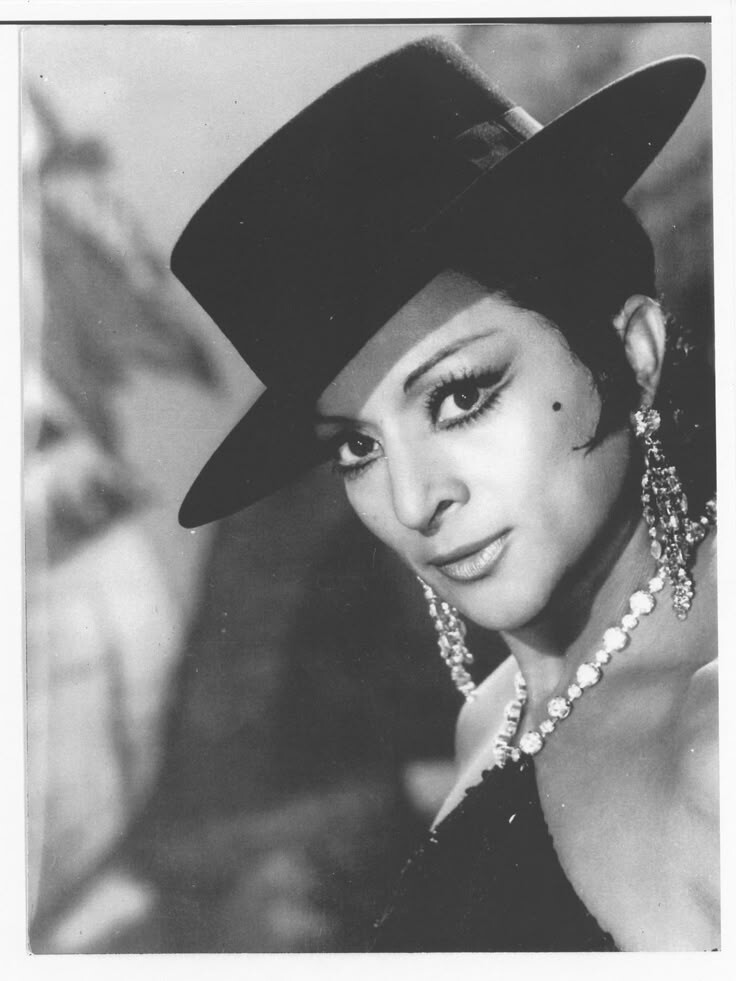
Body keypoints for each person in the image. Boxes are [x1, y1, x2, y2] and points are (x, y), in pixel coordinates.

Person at [169, 37, 717, 951]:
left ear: (633, 353)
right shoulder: (490, 721)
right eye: (356, 446)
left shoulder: (712, 739)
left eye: (461, 396)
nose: (414, 498)